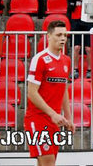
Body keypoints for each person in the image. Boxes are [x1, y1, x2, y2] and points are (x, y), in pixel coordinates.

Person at [26, 21, 72, 166]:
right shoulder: (39, 59)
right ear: (48, 36)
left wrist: (68, 118)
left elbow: (63, 89)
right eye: (59, 35)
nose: (63, 38)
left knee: (46, 163)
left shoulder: (66, 60)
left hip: (54, 122)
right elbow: (31, 93)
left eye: (65, 35)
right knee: (48, 163)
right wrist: (52, 114)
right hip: (38, 120)